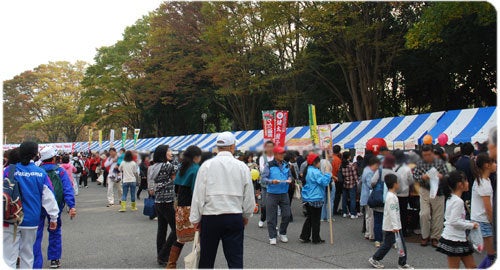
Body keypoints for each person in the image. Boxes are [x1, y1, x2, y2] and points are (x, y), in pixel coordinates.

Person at [190, 132, 255, 268]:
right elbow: (248, 194)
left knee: (206, 259)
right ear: (232, 147)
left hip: (211, 217)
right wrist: (246, 215)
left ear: (218, 147)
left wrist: (195, 219)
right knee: (235, 259)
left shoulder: (206, 166)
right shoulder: (242, 166)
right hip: (234, 216)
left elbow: (198, 195)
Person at [3, 142, 60, 269]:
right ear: (35, 155)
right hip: (31, 220)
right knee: (28, 255)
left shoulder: (9, 170)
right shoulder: (40, 173)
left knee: (8, 257)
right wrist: (53, 217)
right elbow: (49, 198)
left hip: (10, 218)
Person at [35, 147, 76, 269]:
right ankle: (54, 259)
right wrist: (71, 205)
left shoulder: (38, 171)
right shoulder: (60, 171)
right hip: (56, 206)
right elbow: (67, 189)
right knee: (55, 232)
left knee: (36, 234)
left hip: (38, 206)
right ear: (53, 158)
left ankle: (34, 261)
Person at [167, 145, 202, 268]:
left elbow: (176, 185)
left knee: (180, 238)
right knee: (200, 237)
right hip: (190, 206)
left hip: (180, 206)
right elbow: (196, 190)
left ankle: (171, 265)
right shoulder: (196, 168)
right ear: (196, 157)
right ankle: (198, 264)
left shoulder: (182, 166)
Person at [368, 174, 412, 269]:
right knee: (391, 245)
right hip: (393, 227)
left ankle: (401, 262)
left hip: (394, 226)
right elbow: (392, 213)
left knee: (393, 245)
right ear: (394, 184)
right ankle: (376, 258)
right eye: (398, 182)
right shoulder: (391, 197)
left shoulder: (391, 195)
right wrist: (396, 226)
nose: (399, 184)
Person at [436, 171, 478, 269]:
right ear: (460, 184)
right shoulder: (458, 201)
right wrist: (471, 225)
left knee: (472, 266)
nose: (468, 183)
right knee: (456, 267)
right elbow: (454, 221)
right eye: (466, 181)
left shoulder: (452, 198)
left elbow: (453, 219)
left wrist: (469, 223)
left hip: (459, 238)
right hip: (453, 239)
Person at [413, 145, 448, 247]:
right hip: (425, 190)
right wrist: (422, 177)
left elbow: (447, 176)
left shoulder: (440, 163)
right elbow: (415, 177)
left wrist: (441, 176)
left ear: (432, 153)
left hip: (438, 191)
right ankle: (425, 236)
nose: (427, 157)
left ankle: (435, 237)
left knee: (438, 215)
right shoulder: (419, 164)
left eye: (428, 154)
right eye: (424, 155)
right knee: (424, 214)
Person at [148, 145, 177, 266]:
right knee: (176, 230)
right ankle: (163, 255)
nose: (171, 153)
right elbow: (175, 176)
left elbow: (151, 187)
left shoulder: (152, 167)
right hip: (168, 201)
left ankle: (161, 255)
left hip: (158, 201)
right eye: (169, 151)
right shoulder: (168, 166)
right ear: (163, 153)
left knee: (162, 229)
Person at [261, 146, 292, 245]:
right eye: (280, 153)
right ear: (275, 154)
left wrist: (290, 179)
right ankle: (272, 236)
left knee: (287, 215)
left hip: (284, 193)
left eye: (283, 153)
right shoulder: (269, 165)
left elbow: (290, 176)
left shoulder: (286, 165)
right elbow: (263, 179)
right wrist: (271, 181)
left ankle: (282, 232)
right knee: (271, 217)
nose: (283, 155)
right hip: (272, 194)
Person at [470, 153, 496, 268]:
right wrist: (493, 222)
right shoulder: (484, 183)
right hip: (484, 221)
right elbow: (488, 208)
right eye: (493, 162)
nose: (495, 165)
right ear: (487, 165)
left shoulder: (482, 180)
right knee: (492, 255)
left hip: (479, 220)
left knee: (492, 255)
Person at [300, 153, 332, 244]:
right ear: (315, 163)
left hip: (308, 197)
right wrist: (328, 174)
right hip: (316, 197)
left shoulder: (308, 170)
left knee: (310, 218)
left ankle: (304, 236)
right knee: (316, 219)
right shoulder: (315, 172)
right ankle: (315, 238)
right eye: (318, 162)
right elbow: (324, 182)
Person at [371, 155, 398, 248]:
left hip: (379, 200)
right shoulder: (394, 172)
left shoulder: (379, 171)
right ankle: (392, 241)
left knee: (378, 220)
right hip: (390, 199)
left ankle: (378, 240)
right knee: (391, 220)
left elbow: (372, 182)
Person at [394, 150, 414, 237]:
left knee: (394, 213)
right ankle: (403, 231)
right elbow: (411, 181)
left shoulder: (391, 167)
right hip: (404, 194)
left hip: (393, 193)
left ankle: (394, 230)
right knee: (403, 213)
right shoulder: (407, 168)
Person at [361, 156, 380, 241]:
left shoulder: (366, 169)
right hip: (369, 196)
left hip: (365, 196)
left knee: (368, 216)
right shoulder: (369, 172)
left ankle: (368, 233)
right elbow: (370, 185)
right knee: (371, 216)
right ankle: (371, 234)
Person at [258, 140, 274, 228]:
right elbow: (262, 170)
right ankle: (262, 218)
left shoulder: (276, 157)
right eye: (268, 147)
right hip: (265, 184)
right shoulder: (262, 157)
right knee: (264, 203)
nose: (270, 148)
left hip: (274, 184)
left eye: (271, 146)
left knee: (272, 204)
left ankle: (272, 222)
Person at [341, 151, 358, 219]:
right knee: (352, 199)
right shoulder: (351, 165)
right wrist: (357, 181)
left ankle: (345, 212)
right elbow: (355, 175)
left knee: (344, 198)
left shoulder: (341, 165)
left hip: (345, 183)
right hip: (352, 184)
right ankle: (352, 213)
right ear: (348, 157)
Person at [320, 152, 335, 222]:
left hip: (322, 182)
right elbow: (328, 174)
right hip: (329, 182)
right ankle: (329, 217)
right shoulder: (327, 163)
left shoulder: (320, 162)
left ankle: (323, 217)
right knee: (330, 200)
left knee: (323, 200)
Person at [331, 145, 343, 216]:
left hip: (328, 178)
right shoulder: (338, 160)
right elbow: (338, 170)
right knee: (336, 196)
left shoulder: (329, 158)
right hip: (335, 179)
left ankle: (328, 210)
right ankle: (334, 209)